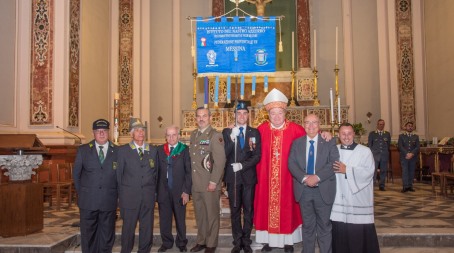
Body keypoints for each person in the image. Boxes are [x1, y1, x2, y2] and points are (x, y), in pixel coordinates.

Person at [288, 114, 339, 253]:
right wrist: (305, 178)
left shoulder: (329, 141)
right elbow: (291, 163)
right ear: (303, 125)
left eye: (314, 122)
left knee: (324, 226)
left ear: (319, 124)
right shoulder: (297, 143)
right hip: (304, 190)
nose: (311, 126)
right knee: (308, 226)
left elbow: (334, 162)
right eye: (307, 123)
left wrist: (317, 177)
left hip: (323, 189)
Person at [331, 122, 380, 253]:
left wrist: (346, 170)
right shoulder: (333, 150)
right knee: (339, 235)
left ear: (354, 134)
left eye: (349, 133)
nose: (346, 137)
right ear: (338, 135)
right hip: (338, 201)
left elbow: (369, 172)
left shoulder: (365, 151)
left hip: (357, 200)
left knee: (357, 238)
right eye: (343, 134)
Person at [73, 119, 118, 253]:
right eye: (98, 131)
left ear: (108, 132)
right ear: (93, 133)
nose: (102, 133)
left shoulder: (117, 151)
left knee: (107, 234)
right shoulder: (83, 150)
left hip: (109, 200)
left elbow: (120, 176)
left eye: (104, 131)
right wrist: (82, 193)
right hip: (88, 200)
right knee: (88, 234)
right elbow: (76, 174)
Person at [222, 101, 261, 253]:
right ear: (235, 115)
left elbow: (257, 155)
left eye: (245, 113)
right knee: (235, 210)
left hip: (249, 177)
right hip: (233, 178)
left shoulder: (254, 132)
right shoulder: (227, 132)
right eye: (239, 113)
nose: (242, 116)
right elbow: (224, 153)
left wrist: (242, 165)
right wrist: (232, 137)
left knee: (249, 210)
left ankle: (246, 241)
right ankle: (237, 241)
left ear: (248, 115)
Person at [117, 118, 158, 253]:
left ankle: (144, 250)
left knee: (147, 228)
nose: (141, 133)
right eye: (137, 130)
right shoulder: (123, 151)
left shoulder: (152, 150)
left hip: (148, 197)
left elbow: (156, 173)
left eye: (142, 130)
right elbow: (119, 175)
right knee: (128, 228)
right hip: (129, 198)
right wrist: (120, 197)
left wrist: (155, 194)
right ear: (131, 134)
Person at [189, 107, 226, 253]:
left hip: (210, 183)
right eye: (198, 116)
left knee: (211, 215)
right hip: (196, 183)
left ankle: (211, 244)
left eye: (204, 116)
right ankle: (201, 240)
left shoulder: (215, 136)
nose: (201, 119)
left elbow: (220, 161)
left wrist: (214, 182)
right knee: (200, 215)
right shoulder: (194, 135)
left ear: (210, 118)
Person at [157, 125, 192, 252]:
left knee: (180, 219)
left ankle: (182, 242)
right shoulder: (160, 150)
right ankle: (166, 242)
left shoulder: (185, 150)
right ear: (165, 137)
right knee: (164, 219)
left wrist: (186, 191)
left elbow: (189, 172)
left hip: (179, 191)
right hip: (163, 190)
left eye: (174, 135)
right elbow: (156, 171)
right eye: (168, 135)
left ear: (178, 136)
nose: (171, 138)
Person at [368, 119, 391, 191]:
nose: (381, 126)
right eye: (380, 124)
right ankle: (373, 185)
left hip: (384, 155)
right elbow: (370, 144)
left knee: (383, 170)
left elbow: (388, 144)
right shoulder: (372, 134)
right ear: (377, 125)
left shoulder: (387, 134)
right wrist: (372, 153)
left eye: (383, 124)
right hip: (375, 155)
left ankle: (382, 185)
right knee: (374, 170)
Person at [398, 121, 420, 193]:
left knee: (411, 171)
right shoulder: (401, 136)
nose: (410, 127)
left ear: (412, 128)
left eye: (411, 126)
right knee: (405, 171)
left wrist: (412, 154)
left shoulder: (416, 137)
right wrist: (407, 153)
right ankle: (405, 186)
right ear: (405, 127)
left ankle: (410, 186)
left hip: (413, 158)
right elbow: (400, 146)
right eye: (408, 126)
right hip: (404, 157)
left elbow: (417, 147)